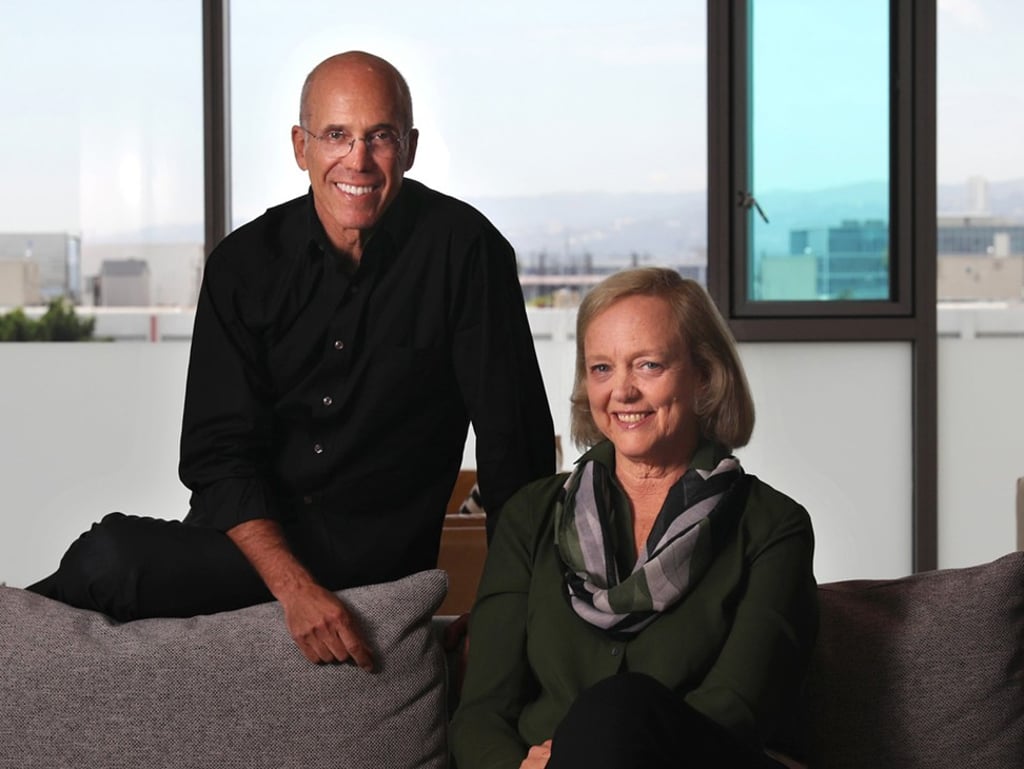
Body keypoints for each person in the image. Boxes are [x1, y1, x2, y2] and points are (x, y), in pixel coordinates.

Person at [28, 51, 554, 670]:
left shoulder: (469, 253)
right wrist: (296, 591)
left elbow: (514, 453)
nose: (356, 160)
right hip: (252, 551)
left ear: (408, 148)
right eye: (336, 135)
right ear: (300, 147)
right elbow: (217, 458)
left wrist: (506, 609)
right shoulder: (242, 266)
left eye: (379, 137)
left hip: (375, 565)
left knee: (112, 560)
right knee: (108, 558)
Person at [450, 267, 817, 769]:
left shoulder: (773, 526)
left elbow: (737, 711)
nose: (621, 391)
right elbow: (480, 715)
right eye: (602, 368)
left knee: (616, 710)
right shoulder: (531, 517)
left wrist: (589, 754)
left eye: (647, 365)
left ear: (704, 375)